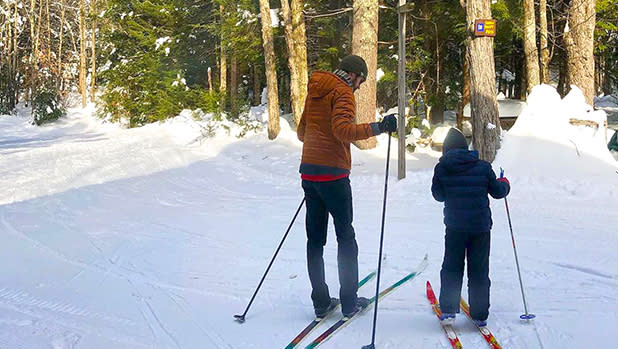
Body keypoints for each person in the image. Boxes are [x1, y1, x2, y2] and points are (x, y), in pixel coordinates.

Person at [297, 55, 397, 319]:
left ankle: (320, 302)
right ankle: (349, 303)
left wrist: (317, 154)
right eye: (361, 80)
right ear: (353, 74)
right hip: (333, 176)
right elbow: (342, 131)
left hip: (310, 173)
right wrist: (379, 127)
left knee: (315, 240)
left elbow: (301, 132)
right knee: (346, 237)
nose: (360, 86)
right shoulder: (342, 91)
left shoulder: (316, 89)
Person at [431, 127, 510, 327]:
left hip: (455, 227)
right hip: (480, 228)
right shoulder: (483, 167)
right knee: (479, 270)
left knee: (451, 267)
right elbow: (498, 192)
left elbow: (438, 195)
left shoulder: (442, 168)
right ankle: (480, 313)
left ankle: (448, 310)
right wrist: (504, 182)